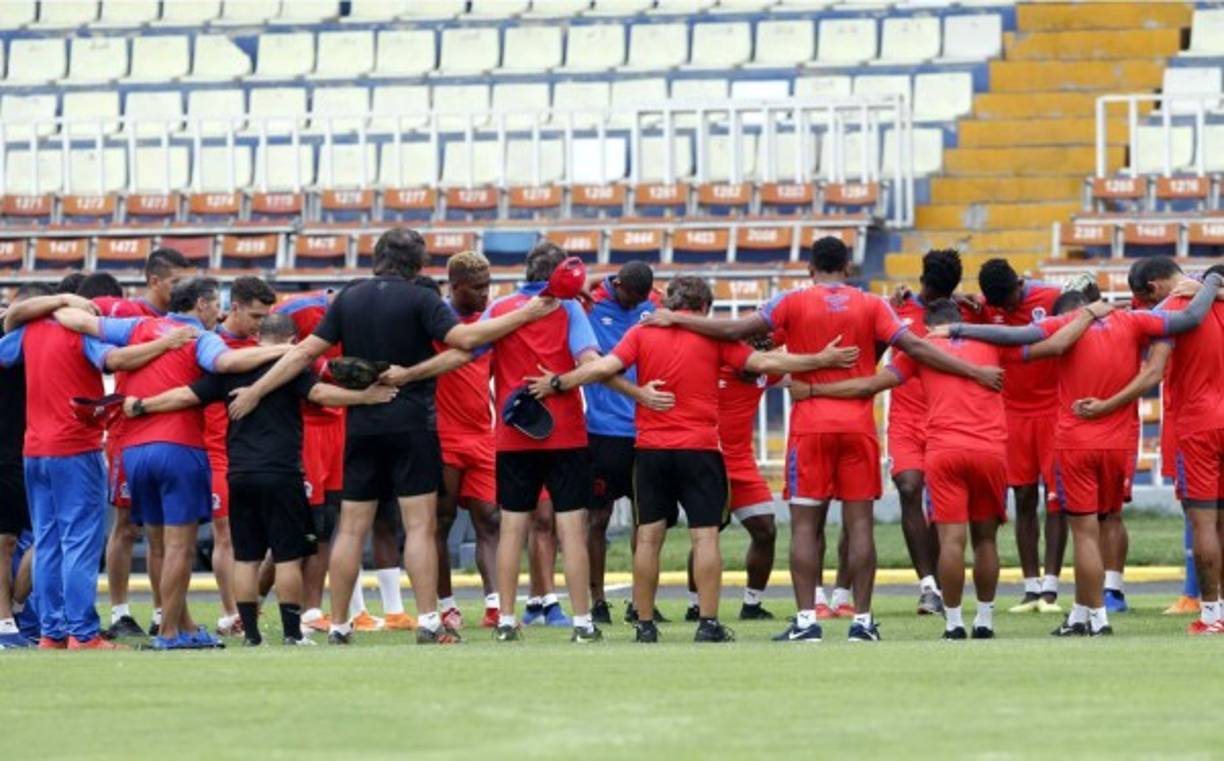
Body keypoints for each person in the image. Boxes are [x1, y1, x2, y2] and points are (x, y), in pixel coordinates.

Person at [642, 236, 1002, 642]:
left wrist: (679, 320)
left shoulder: (791, 301)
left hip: (810, 427)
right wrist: (974, 372)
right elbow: (917, 347)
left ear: (810, 269)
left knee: (805, 527)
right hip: (858, 427)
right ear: (848, 268)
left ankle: (805, 621)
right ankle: (862, 622)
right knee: (860, 525)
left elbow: (734, 329)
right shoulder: (872, 304)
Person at [226, 228, 560, 646]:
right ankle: (429, 622)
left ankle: (341, 625)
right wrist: (527, 314)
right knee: (419, 526)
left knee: (351, 528)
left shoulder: (349, 297)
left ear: (378, 257)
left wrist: (256, 391)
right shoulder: (421, 299)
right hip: (412, 422)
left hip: (362, 423)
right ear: (418, 264)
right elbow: (467, 339)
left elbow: (303, 352)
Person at [527, 275, 860, 643]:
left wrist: (558, 383)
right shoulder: (713, 338)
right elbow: (765, 361)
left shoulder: (642, 333)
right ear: (704, 307)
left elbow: (602, 369)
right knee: (704, 537)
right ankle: (708, 623)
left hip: (651, 450)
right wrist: (821, 359)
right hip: (700, 448)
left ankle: (645, 625)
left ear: (670, 303)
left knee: (648, 538)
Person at [944, 276, 1221, 636]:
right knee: (1111, 522)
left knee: (1085, 535)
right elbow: (1189, 319)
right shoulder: (1132, 321)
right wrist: (1213, 283)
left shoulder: (1065, 325)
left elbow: (1016, 336)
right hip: (1119, 445)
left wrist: (958, 329)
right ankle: (1084, 611)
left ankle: (1098, 619)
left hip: (1076, 441)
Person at [37, 278, 291, 649]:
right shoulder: (199, 337)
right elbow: (226, 362)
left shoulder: (139, 326)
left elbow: (77, 320)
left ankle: (182, 625)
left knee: (157, 546)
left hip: (134, 450)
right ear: (201, 304)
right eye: (215, 306)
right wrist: (287, 350)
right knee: (179, 548)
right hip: (178, 447)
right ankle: (169, 633)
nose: (219, 314)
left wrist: (57, 302)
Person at [119, 313, 398, 646]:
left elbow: (185, 396)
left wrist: (143, 405)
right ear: (292, 341)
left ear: (257, 337)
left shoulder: (231, 370)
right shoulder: (292, 368)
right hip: (282, 473)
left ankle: (251, 635)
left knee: (246, 558)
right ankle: (293, 634)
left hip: (239, 474)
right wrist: (364, 397)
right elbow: (322, 394)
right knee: (287, 557)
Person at [0, 288, 199, 650]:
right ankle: (82, 633)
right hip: (75, 447)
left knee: (47, 542)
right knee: (79, 540)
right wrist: (166, 343)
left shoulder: (26, 333)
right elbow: (117, 359)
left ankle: (52, 633)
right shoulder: (77, 330)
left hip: (34, 450)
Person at [1086, 259, 1224, 635]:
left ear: (1154, 286)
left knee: (1204, 523)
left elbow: (1151, 373)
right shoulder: (1216, 297)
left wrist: (1107, 405)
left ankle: (1212, 614)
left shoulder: (1173, 310)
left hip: (1197, 425)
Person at [93, 248, 194, 638]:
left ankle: (160, 612)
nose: (183, 288)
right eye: (176, 281)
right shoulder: (127, 313)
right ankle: (119, 611)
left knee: (160, 530)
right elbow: (86, 305)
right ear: (154, 281)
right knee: (125, 525)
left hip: (163, 433)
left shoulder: (182, 322)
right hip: (127, 431)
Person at [886, 249, 976, 615]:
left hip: (947, 417)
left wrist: (968, 300)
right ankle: (928, 585)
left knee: (943, 502)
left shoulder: (962, 313)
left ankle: (942, 583)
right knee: (909, 488)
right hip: (906, 419)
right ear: (922, 281)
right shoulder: (896, 309)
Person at [977, 259, 1067, 614]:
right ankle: (1031, 587)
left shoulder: (1052, 297)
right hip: (1011, 413)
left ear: (1020, 283)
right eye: (1001, 306)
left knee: (1057, 499)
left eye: (1012, 301)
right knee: (1023, 497)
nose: (1009, 309)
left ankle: (1051, 587)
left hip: (1053, 409)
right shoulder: (985, 307)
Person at [684, 331, 784, 622]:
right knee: (707, 534)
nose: (756, 370)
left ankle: (752, 604)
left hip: (742, 462)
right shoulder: (711, 368)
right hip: (709, 458)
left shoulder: (766, 372)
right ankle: (695, 606)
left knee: (765, 529)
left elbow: (798, 368)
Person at [582, 261, 660, 624]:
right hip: (603, 431)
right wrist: (595, 279)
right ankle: (597, 600)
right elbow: (562, 291)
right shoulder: (592, 301)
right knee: (597, 518)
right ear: (618, 285)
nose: (634, 304)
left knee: (646, 522)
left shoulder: (653, 305)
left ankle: (640, 603)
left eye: (641, 299)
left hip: (645, 430)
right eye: (630, 297)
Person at [432, 252, 501, 630]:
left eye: (487, 287)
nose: (484, 294)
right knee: (440, 522)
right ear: (455, 287)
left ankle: (495, 605)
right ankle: (446, 605)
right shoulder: (435, 321)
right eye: (477, 288)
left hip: (481, 435)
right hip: (444, 437)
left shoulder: (490, 324)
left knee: (490, 519)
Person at [204, 276, 276, 637]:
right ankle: (230, 612)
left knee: (266, 535)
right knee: (226, 534)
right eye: (255, 316)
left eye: (264, 318)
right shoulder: (211, 343)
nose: (259, 324)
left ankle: (247, 605)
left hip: (252, 452)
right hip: (214, 448)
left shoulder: (260, 345)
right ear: (234, 307)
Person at [0, 285, 51, 648]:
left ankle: (15, 609)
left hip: (39, 449)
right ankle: (6, 621)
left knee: (49, 535)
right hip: (10, 453)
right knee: (6, 541)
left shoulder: (43, 342)